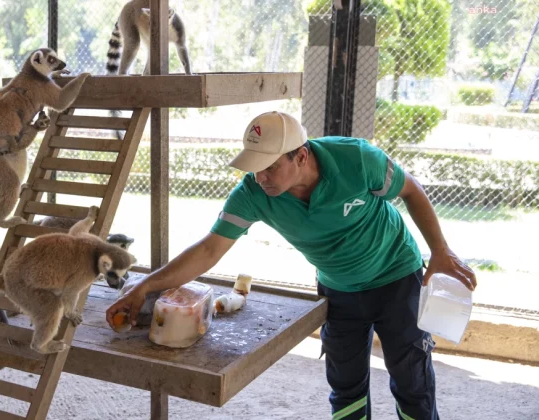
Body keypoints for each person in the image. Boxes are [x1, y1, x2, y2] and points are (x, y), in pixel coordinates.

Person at [106, 111, 476, 420]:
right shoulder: (254, 192)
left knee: (411, 380)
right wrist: (145, 287)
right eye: (253, 168)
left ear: (300, 156)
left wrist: (440, 251)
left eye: (268, 167)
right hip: (339, 288)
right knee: (346, 386)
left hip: (397, 276)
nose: (259, 177)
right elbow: (208, 250)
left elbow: (410, 190)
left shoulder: (358, 160)